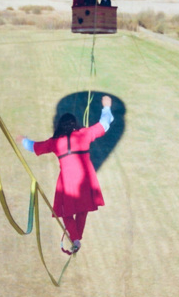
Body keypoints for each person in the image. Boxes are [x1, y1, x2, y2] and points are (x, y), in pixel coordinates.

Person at [16, 95, 114, 255]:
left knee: (67, 213)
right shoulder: (84, 134)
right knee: (83, 210)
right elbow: (104, 124)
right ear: (74, 124)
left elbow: (35, 147)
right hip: (86, 181)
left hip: (67, 183)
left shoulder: (55, 142)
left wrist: (23, 140)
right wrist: (107, 106)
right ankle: (77, 238)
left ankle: (75, 239)